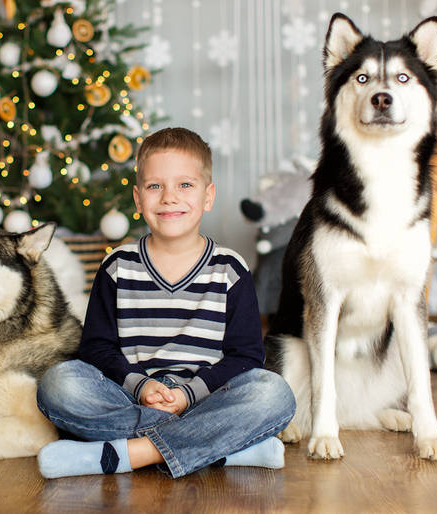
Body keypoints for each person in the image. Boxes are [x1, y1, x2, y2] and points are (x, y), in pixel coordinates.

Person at [36, 127, 296, 479]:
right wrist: (140, 386)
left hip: (207, 400)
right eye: (155, 186)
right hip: (132, 398)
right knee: (59, 382)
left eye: (185, 185)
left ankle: (131, 454)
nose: (169, 197)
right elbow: (96, 349)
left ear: (208, 196)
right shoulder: (117, 266)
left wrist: (189, 395)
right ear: (138, 198)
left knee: (273, 393)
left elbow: (246, 356)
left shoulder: (230, 269)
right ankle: (220, 449)